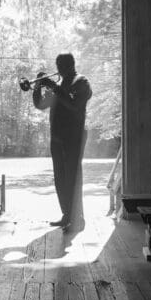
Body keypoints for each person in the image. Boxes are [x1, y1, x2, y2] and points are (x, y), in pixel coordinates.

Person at [33, 52, 92, 231]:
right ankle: (67, 215)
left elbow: (74, 104)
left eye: (62, 64)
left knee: (73, 177)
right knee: (60, 178)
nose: (59, 68)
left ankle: (78, 219)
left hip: (74, 137)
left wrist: (53, 86)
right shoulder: (58, 84)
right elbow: (41, 105)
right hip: (57, 138)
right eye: (58, 64)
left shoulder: (82, 82)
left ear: (71, 64)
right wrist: (37, 86)